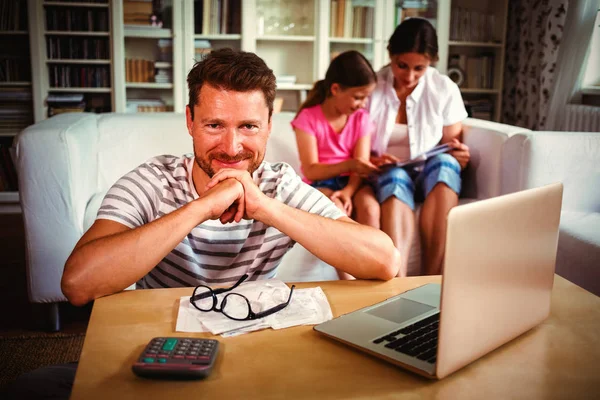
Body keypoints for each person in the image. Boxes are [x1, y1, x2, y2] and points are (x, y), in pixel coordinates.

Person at [6, 48, 401, 399]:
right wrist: (202, 207)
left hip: (257, 357)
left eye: (248, 126)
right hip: (162, 357)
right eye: (214, 125)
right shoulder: (151, 181)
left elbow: (384, 261)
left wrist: (263, 206)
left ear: (269, 124)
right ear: (190, 121)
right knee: (28, 387)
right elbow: (78, 284)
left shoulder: (279, 186)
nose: (232, 148)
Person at [353, 18, 471, 277]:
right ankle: (400, 280)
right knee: (394, 178)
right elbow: (354, 139)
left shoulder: (444, 88)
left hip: (428, 171)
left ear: (432, 62)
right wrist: (371, 160)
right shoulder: (372, 88)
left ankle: (432, 278)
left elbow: (451, 145)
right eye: (401, 65)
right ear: (390, 56)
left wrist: (459, 156)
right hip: (387, 171)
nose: (409, 76)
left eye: (420, 68)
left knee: (447, 165)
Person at [291, 51, 380, 279]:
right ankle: (348, 280)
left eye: (366, 98)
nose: (362, 104)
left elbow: (360, 167)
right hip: (321, 181)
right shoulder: (308, 119)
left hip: (354, 181)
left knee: (370, 209)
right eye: (358, 97)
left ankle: (376, 273)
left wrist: (349, 191)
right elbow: (311, 169)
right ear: (335, 89)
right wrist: (349, 165)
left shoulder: (361, 118)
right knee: (335, 210)